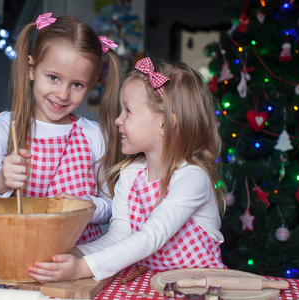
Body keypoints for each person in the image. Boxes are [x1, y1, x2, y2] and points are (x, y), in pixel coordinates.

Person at [28, 57, 227, 282]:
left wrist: (83, 268)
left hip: (201, 290)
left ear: (164, 124)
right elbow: (119, 236)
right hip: (149, 286)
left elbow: (150, 237)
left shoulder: (192, 178)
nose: (118, 120)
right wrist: (73, 254)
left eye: (128, 111)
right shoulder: (131, 174)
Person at [0, 13, 123, 244]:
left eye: (77, 84)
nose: (63, 94)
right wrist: (1, 179)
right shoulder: (7, 125)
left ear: (91, 84)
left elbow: (112, 205)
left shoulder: (95, 135)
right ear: (31, 69)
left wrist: (88, 207)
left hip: (76, 257)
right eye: (53, 77)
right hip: (16, 249)